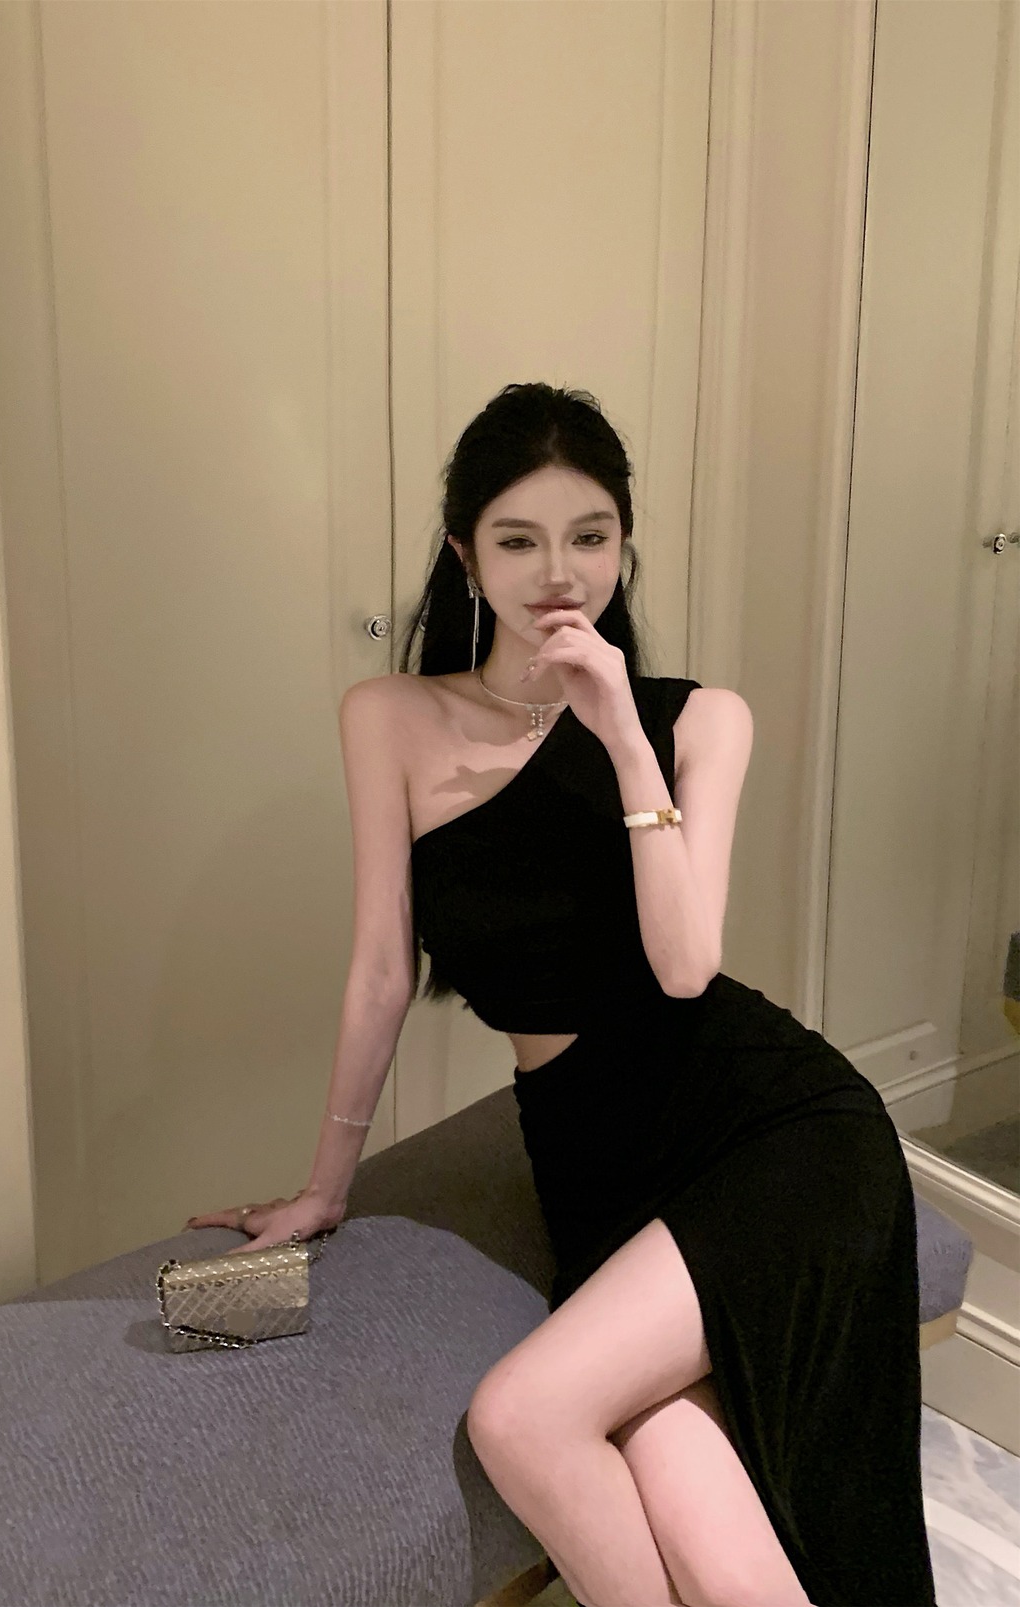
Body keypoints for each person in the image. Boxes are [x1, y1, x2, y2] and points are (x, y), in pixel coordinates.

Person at [183, 383, 937, 1607]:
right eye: (517, 539)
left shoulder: (698, 719)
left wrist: (624, 737)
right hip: (597, 1170)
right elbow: (380, 966)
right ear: (463, 555)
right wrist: (325, 1184)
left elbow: (684, 965)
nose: (556, 572)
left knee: (522, 1412)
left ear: (623, 544)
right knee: (695, 1518)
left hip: (775, 1136)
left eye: (588, 535)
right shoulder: (391, 717)